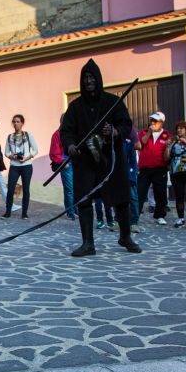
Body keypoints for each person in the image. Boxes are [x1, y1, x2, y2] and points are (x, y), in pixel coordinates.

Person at [60, 59, 140, 256]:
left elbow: (126, 124)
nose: (88, 81)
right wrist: (70, 145)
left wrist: (113, 131)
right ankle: (88, 243)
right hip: (85, 161)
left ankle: (125, 236)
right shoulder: (75, 107)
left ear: (98, 79)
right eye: (85, 78)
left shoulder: (113, 102)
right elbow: (67, 131)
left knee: (121, 198)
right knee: (84, 199)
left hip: (110, 160)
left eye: (91, 77)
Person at [136, 112, 171, 225]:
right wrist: (149, 133)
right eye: (151, 120)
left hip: (160, 168)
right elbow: (142, 143)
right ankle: (135, 215)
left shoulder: (167, 135)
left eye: (155, 121)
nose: (152, 123)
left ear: (161, 123)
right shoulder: (144, 132)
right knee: (140, 192)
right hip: (145, 169)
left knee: (160, 193)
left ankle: (160, 215)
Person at [3, 114, 38, 219]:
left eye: (18, 121)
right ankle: (8, 212)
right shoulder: (10, 136)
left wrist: (26, 158)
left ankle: (24, 213)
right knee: (10, 189)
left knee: (26, 189)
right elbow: (6, 152)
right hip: (14, 166)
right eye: (14, 121)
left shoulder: (28, 135)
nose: (15, 124)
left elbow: (35, 150)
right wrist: (12, 157)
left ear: (22, 123)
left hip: (26, 166)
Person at [49, 115, 77, 220]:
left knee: (76, 188)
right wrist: (63, 162)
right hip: (66, 164)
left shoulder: (72, 133)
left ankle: (75, 210)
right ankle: (70, 212)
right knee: (69, 189)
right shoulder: (57, 134)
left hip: (75, 163)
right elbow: (54, 152)